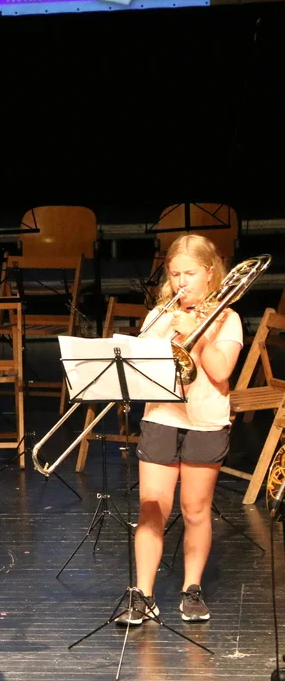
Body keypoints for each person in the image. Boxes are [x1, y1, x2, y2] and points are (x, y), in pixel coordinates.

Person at [119, 235, 243, 625]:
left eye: (189, 273)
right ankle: (143, 594)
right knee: (151, 506)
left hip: (205, 420)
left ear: (209, 272)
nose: (181, 282)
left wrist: (198, 333)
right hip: (162, 418)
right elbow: (138, 370)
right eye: (174, 274)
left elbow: (221, 371)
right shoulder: (159, 316)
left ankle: (192, 589)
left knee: (195, 509)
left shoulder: (227, 318)